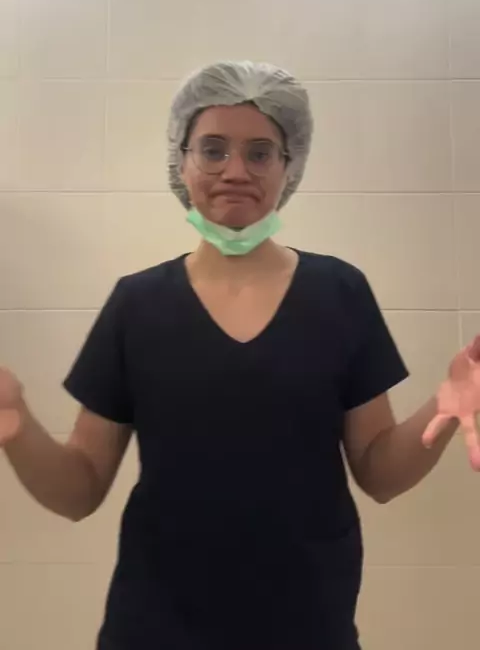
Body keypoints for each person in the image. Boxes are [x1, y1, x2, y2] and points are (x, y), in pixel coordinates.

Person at [1, 60, 479, 650]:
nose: (235, 170)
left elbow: (380, 473)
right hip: (155, 628)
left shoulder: (339, 292)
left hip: (307, 626)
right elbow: (79, 489)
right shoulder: (137, 304)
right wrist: (16, 426)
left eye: (260, 152)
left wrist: (444, 406)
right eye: (213, 149)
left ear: (288, 166)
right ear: (182, 161)